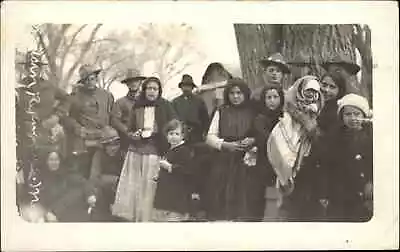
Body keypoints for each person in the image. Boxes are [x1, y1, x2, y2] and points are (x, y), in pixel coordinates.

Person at [112, 77, 176, 222]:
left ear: (159, 91)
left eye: (155, 89)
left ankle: (147, 217)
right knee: (135, 185)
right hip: (136, 150)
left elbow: (173, 127)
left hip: (155, 150)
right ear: (144, 90)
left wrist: (163, 137)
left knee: (149, 185)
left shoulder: (166, 106)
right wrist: (133, 135)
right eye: (149, 88)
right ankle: (134, 217)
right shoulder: (137, 106)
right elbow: (129, 129)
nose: (152, 92)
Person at [267, 75, 325, 221]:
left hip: (308, 163)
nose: (311, 95)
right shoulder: (288, 110)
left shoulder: (318, 112)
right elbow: (278, 138)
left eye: (315, 92)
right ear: (300, 91)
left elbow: (319, 138)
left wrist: (311, 126)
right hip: (285, 160)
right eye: (308, 91)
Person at [204, 78, 258, 221]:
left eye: (239, 93)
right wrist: (225, 145)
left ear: (245, 94)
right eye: (232, 93)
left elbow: (260, 134)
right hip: (224, 160)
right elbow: (210, 137)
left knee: (244, 199)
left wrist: (253, 141)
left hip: (247, 160)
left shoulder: (253, 111)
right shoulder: (221, 111)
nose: (235, 96)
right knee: (221, 197)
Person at [16, 51, 70, 182]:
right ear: (26, 68)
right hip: (24, 136)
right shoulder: (18, 88)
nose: (33, 70)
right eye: (30, 67)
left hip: (46, 135)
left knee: (47, 169)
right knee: (25, 172)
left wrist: (57, 116)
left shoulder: (49, 87)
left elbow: (67, 99)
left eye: (37, 66)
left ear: (41, 68)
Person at [324, 93, 373, 222]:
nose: (353, 118)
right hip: (340, 193)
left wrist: (371, 181)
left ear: (364, 115)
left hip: (364, 193)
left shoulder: (371, 137)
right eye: (348, 114)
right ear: (342, 117)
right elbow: (328, 166)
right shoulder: (335, 137)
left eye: (357, 114)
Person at [62, 64, 115, 181]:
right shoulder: (75, 96)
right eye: (86, 79)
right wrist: (78, 128)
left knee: (101, 173)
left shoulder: (107, 95)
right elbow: (66, 117)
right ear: (82, 81)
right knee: (84, 172)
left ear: (96, 78)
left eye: (92, 78)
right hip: (85, 141)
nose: (90, 82)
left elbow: (112, 116)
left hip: (104, 140)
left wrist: (111, 134)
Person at [152, 119, 200, 222]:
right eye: (171, 133)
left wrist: (170, 167)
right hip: (167, 191)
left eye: (177, 134)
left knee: (174, 217)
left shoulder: (184, 150)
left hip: (178, 192)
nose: (173, 136)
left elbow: (188, 170)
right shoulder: (170, 150)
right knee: (164, 216)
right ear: (166, 136)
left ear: (183, 136)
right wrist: (159, 175)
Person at [37, 150, 99, 222]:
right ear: (46, 162)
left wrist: (90, 194)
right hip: (48, 214)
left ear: (60, 161)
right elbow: (39, 200)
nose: (54, 162)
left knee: (77, 192)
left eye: (56, 160)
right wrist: (47, 213)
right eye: (51, 160)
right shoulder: (40, 178)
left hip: (65, 213)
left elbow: (84, 182)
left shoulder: (66, 174)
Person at [253, 85, 285, 220]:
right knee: (268, 195)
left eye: (275, 97)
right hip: (266, 163)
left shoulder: (286, 117)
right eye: (269, 97)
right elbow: (265, 139)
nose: (272, 101)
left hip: (284, 162)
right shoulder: (260, 119)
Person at [111, 69, 146, 160]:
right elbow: (115, 120)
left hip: (146, 140)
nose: (133, 83)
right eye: (131, 81)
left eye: (136, 81)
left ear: (140, 82)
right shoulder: (120, 102)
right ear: (127, 84)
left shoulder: (148, 100)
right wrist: (128, 132)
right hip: (127, 141)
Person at [171, 74, 209, 143]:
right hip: (180, 135)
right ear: (181, 87)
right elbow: (172, 119)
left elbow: (205, 119)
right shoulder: (175, 102)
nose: (186, 88)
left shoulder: (199, 101)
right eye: (184, 86)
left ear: (192, 87)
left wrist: (205, 132)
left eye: (188, 86)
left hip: (196, 135)